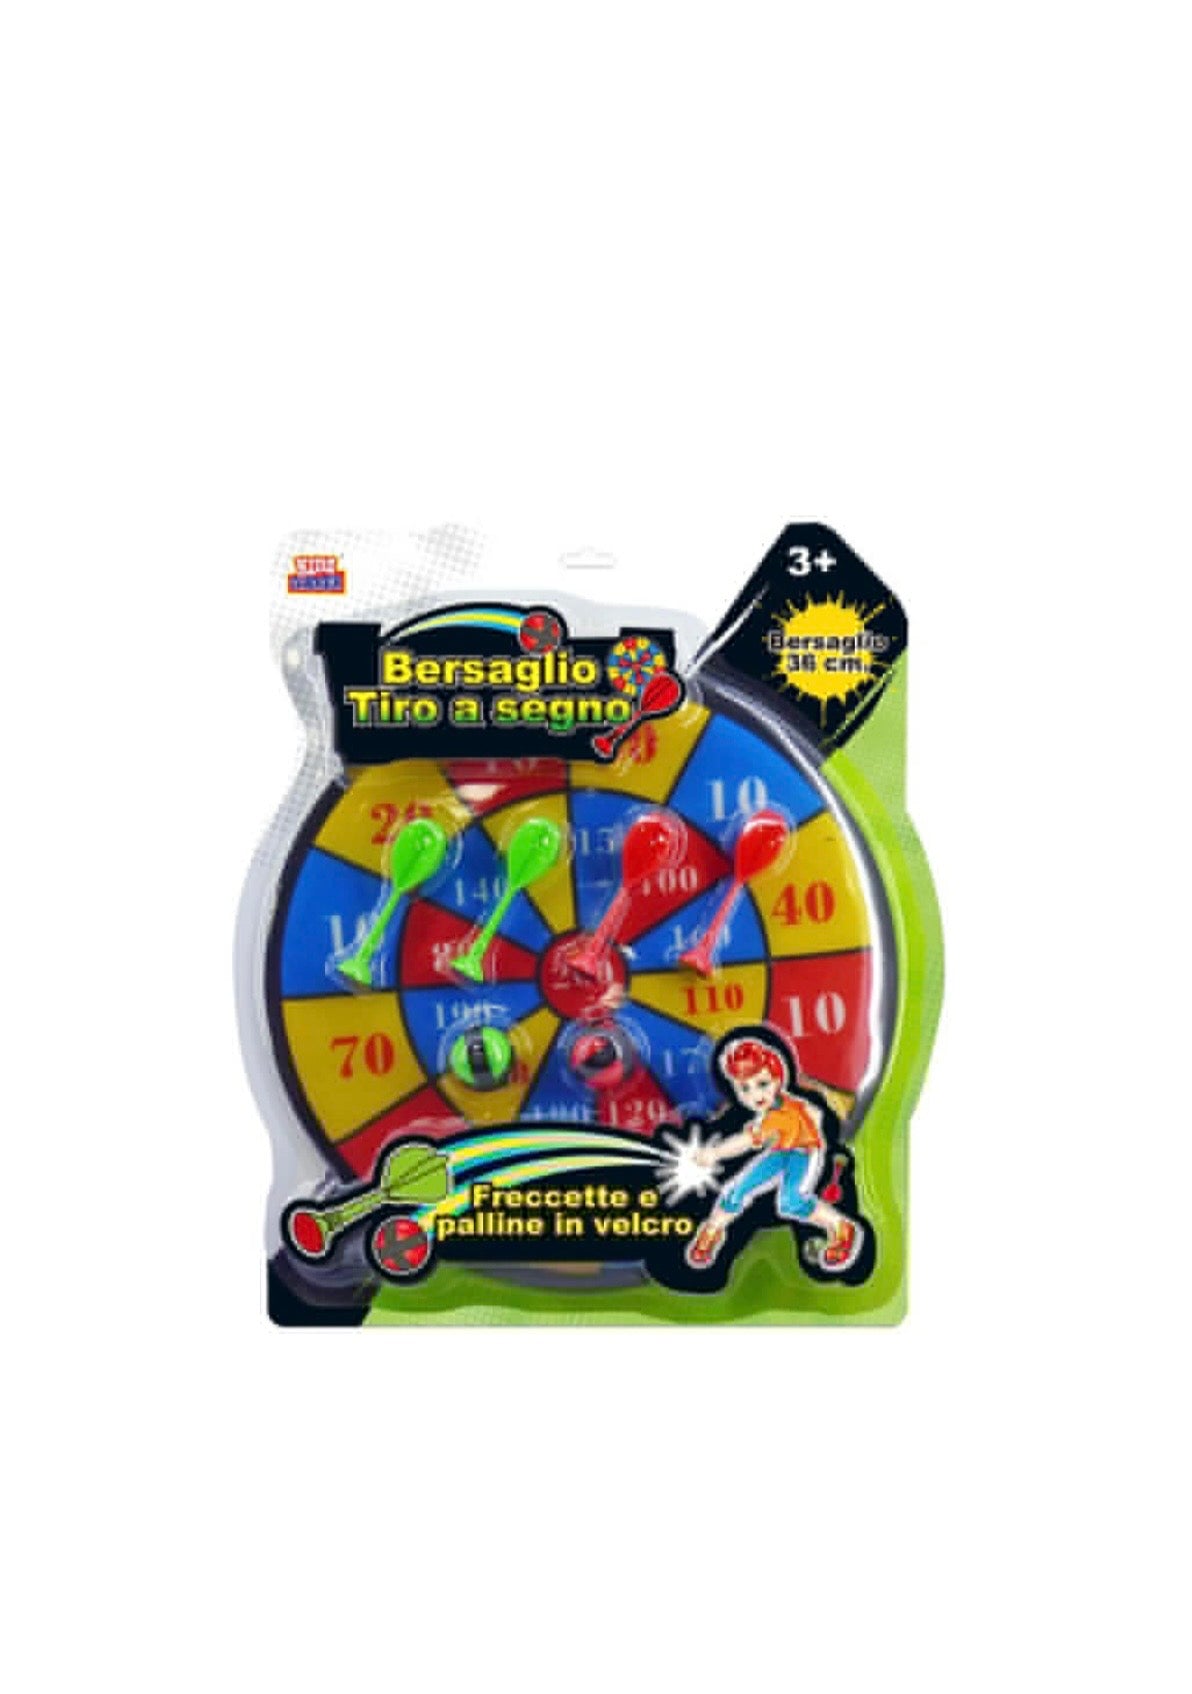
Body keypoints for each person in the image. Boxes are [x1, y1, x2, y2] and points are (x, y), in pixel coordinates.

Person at [686, 1035, 862, 1273]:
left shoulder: (779, 1114)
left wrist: (715, 1153)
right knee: (738, 1190)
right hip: (781, 1151)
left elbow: (746, 1141)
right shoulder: (776, 1110)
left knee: (790, 1203)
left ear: (777, 1079)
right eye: (744, 1088)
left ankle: (841, 1227)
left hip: (803, 1155)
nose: (755, 1095)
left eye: (762, 1084)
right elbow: (813, 1114)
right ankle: (711, 1231)